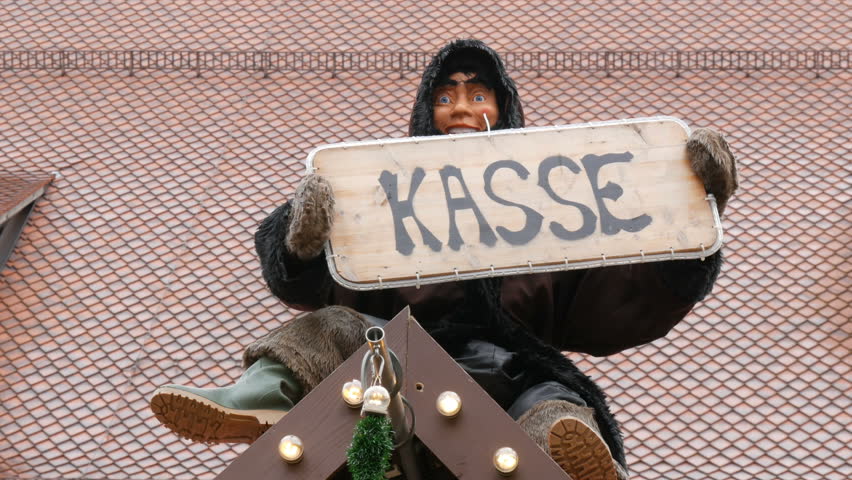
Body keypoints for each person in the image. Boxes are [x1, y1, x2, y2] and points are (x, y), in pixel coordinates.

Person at [151, 39, 737, 480]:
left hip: (509, 372)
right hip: (391, 366)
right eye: (447, 95)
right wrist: (300, 235)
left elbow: (618, 298)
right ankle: (259, 401)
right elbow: (303, 270)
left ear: (502, 111)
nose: (461, 107)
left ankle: (572, 456)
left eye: (478, 95)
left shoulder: (556, 210)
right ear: (425, 110)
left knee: (553, 405)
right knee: (329, 328)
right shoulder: (378, 194)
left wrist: (691, 206)